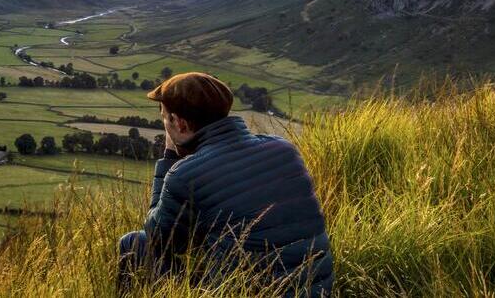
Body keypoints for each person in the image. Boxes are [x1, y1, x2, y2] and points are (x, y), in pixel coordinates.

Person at [118, 72, 333, 295]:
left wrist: (170, 154)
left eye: (164, 117)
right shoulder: (284, 149)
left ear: (179, 123)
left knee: (134, 244)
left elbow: (160, 239)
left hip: (242, 292)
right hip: (316, 291)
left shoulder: (185, 175)